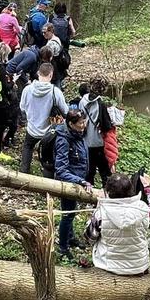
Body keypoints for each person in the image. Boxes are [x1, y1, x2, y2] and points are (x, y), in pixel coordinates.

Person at [84, 172, 150, 275]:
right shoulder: (142, 208)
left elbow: (90, 238)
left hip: (108, 266)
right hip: (138, 267)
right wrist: (147, 188)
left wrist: (101, 203)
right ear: (131, 189)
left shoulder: (101, 213)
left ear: (108, 191)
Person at [53, 108, 92, 258]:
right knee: (67, 214)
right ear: (71, 124)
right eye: (80, 123)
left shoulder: (77, 134)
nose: (83, 125)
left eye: (84, 122)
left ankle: (70, 238)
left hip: (78, 180)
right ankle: (63, 246)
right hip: (70, 183)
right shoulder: (63, 140)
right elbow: (61, 170)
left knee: (72, 212)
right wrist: (80, 180)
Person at [18, 63, 69, 174]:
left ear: (38, 73)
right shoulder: (55, 92)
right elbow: (65, 111)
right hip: (49, 131)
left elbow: (22, 107)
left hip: (32, 128)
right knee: (49, 155)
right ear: (51, 75)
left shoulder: (27, 90)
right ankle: (48, 179)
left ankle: (24, 172)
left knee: (27, 147)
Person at [78, 77, 114, 187]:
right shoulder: (100, 104)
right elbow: (106, 125)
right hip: (98, 142)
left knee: (89, 171)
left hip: (85, 140)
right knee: (105, 172)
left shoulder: (82, 101)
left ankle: (89, 195)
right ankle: (107, 194)